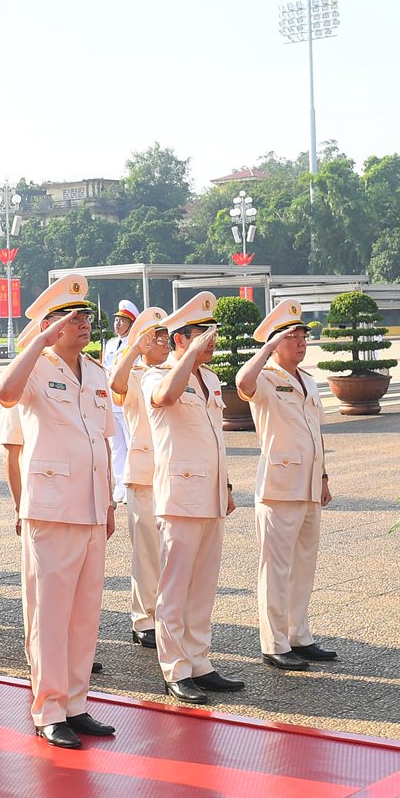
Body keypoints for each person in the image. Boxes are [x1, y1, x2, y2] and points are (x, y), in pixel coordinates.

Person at [0, 272, 117, 749]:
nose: (83, 323)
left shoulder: (96, 371)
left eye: (85, 315)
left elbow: (102, 442)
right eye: (71, 317)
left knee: (85, 612)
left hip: (88, 506)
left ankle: (76, 703)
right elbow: (4, 392)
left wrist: (106, 505)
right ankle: (48, 708)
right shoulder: (36, 369)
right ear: (50, 325)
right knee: (49, 613)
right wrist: (40, 341)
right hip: (50, 507)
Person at [145, 292, 244, 704]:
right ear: (180, 339)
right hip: (179, 495)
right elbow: (166, 397)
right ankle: (175, 669)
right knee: (175, 585)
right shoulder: (156, 374)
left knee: (203, 584)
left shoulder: (212, 379)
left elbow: (215, 439)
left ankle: (199, 661)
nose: (211, 341)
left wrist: (226, 486)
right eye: (202, 334)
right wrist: (187, 356)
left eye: (211, 333)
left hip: (209, 493)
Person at [236, 299, 336, 672]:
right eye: (291, 336)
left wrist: (324, 476)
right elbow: (242, 383)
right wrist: (266, 348)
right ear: (275, 343)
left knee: (303, 565)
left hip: (309, 484)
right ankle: (274, 642)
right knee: (275, 568)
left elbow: (317, 432)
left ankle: (299, 635)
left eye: (302, 336)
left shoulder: (307, 380)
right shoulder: (265, 378)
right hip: (279, 486)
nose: (300, 342)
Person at [107, 306, 168, 652]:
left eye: (163, 337)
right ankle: (143, 620)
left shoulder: (172, 372)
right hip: (143, 474)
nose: (163, 343)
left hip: (172, 473)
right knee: (146, 553)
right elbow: (116, 384)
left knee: (170, 553)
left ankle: (166, 615)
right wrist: (134, 349)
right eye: (155, 338)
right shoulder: (131, 374)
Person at [100, 299, 138, 501]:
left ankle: (131, 483)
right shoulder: (111, 344)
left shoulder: (134, 346)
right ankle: (120, 484)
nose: (117, 323)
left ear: (131, 323)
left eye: (122, 320)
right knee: (116, 447)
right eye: (116, 319)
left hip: (126, 400)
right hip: (110, 402)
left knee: (132, 443)